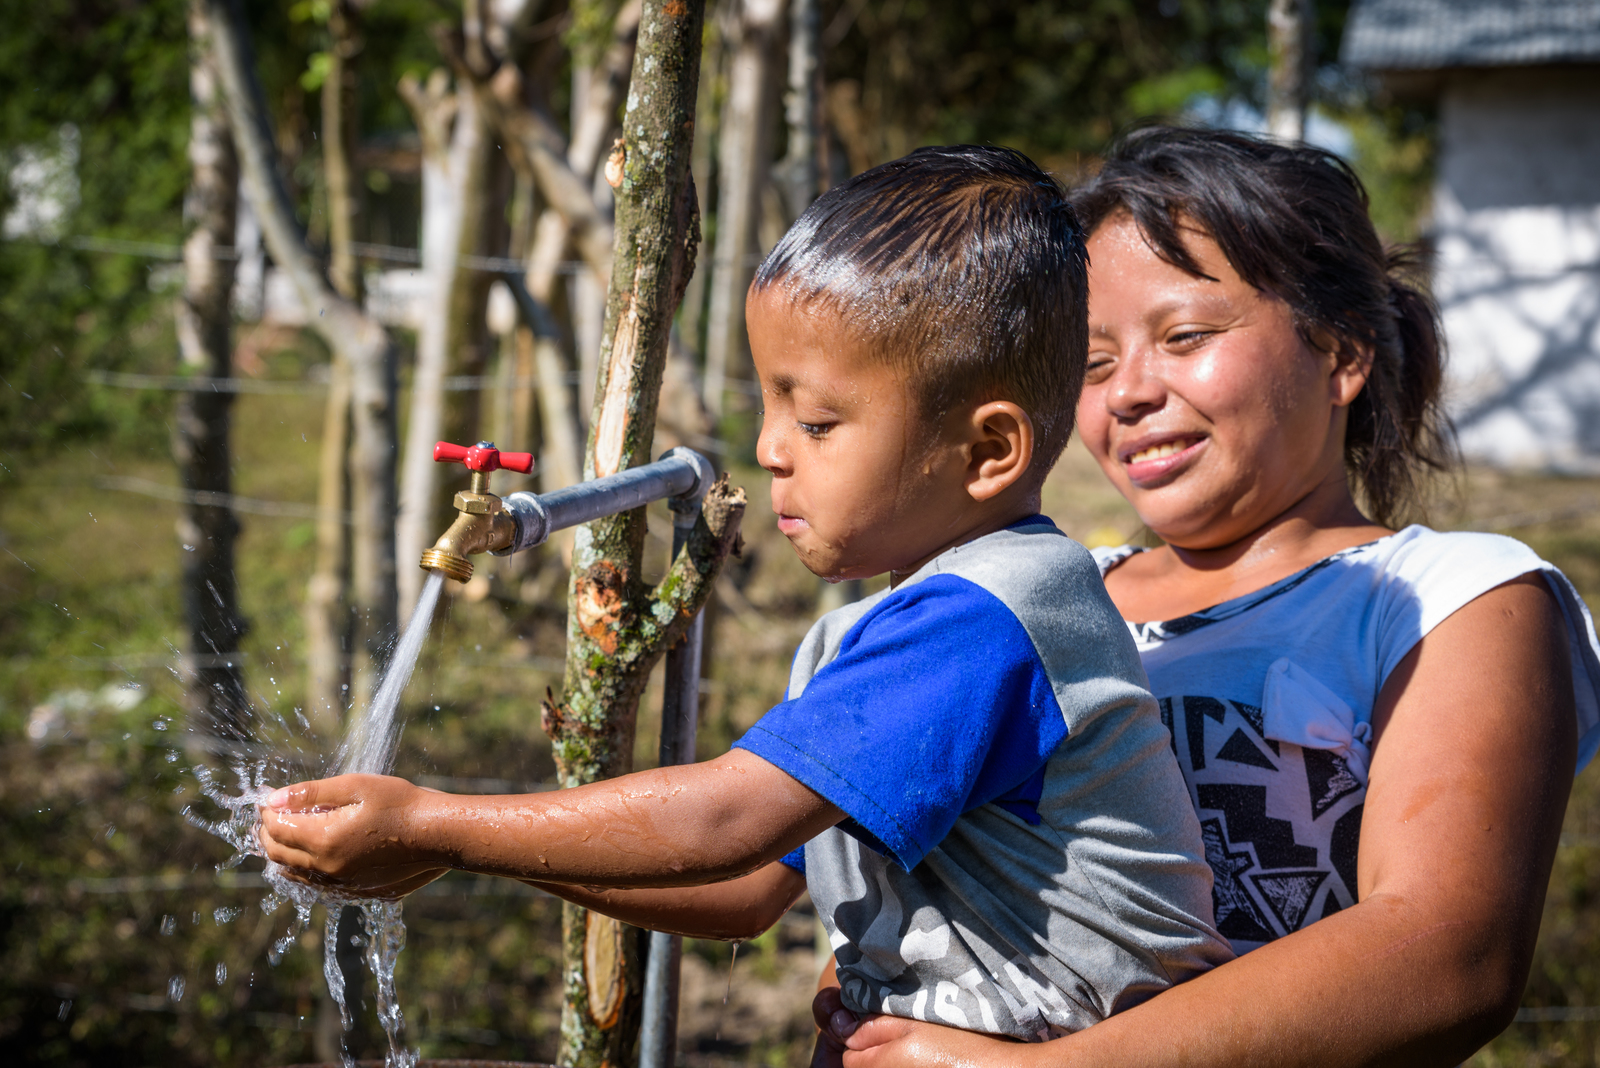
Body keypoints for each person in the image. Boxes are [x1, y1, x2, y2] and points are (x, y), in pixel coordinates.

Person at [258, 146, 1233, 1047]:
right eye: (771, 407)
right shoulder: (899, 630)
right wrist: (474, 853)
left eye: (814, 421)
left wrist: (440, 822)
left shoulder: (983, 625)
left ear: (985, 451)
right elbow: (750, 888)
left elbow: (725, 824)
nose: (768, 448)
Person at [819, 126, 1600, 1067]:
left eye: (1185, 337)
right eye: (1094, 364)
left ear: (1341, 352)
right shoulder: (1031, 598)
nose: (1129, 394)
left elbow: (1448, 953)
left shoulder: (1452, 596)